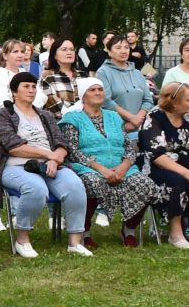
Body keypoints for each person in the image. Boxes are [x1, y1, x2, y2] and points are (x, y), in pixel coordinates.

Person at [0, 72, 91, 261]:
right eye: (26, 86)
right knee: (36, 189)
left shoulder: (46, 114)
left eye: (34, 86)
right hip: (14, 166)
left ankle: (75, 241)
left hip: (49, 164)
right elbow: (13, 147)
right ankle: (22, 240)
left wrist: (55, 159)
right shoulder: (3, 115)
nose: (31, 90)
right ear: (14, 92)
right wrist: (47, 154)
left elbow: (61, 142)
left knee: (75, 186)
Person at [57, 78, 164, 247]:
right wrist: (101, 169)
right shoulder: (72, 119)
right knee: (92, 183)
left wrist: (124, 167)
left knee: (145, 184)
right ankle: (83, 231)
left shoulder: (114, 117)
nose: (98, 93)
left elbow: (129, 147)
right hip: (88, 168)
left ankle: (128, 230)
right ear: (83, 96)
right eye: (92, 90)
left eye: (100, 89)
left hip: (120, 167)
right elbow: (74, 152)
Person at [138, 81, 189, 250]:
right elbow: (157, 155)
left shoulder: (188, 115)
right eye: (187, 100)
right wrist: (187, 174)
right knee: (177, 183)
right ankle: (176, 234)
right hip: (159, 167)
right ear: (173, 102)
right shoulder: (154, 117)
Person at [96, 33, 153, 133]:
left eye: (126, 47)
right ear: (109, 52)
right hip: (117, 128)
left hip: (141, 127)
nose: (123, 51)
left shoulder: (137, 73)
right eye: (118, 48)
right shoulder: (103, 72)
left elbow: (148, 100)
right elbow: (106, 101)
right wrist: (131, 118)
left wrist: (138, 119)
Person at [0, 40, 38, 123]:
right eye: (15, 52)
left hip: (27, 122)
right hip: (4, 123)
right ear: (5, 56)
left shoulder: (25, 74)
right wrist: (23, 101)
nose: (20, 55)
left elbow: (39, 97)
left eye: (22, 52)